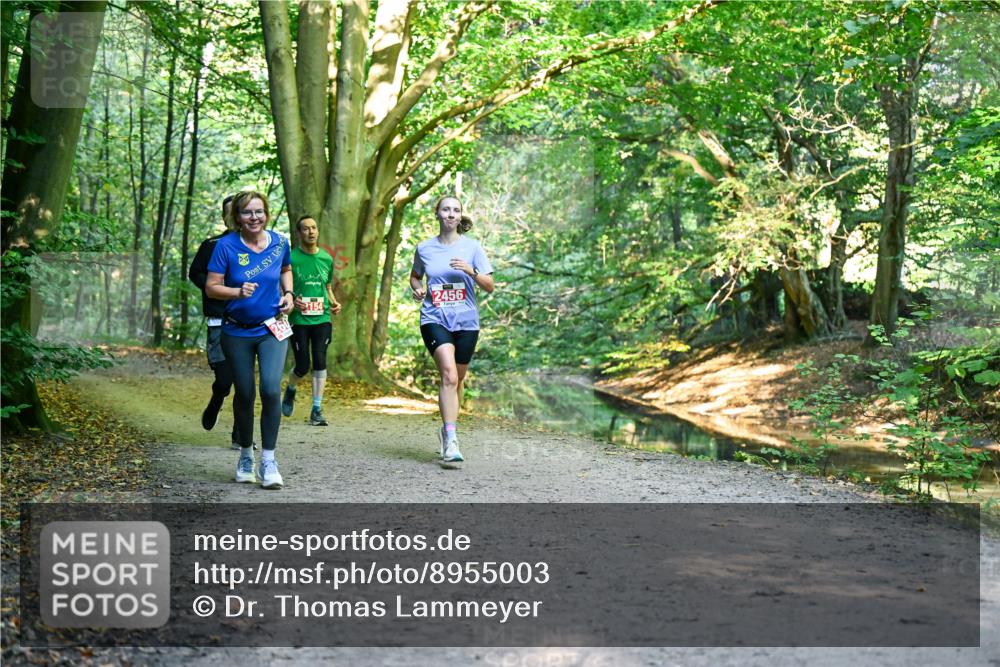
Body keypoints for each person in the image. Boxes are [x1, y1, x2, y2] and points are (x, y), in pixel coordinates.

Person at [206, 191, 294, 489]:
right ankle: (246, 454)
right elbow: (211, 288)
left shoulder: (280, 242)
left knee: (270, 389)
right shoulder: (225, 247)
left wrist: (289, 295)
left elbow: (286, 269)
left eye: (259, 212)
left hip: (272, 328)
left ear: (266, 214)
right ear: (237, 217)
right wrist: (236, 291)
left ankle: (268, 460)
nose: (254, 217)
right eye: (247, 213)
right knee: (244, 393)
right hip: (236, 330)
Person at [409, 195, 495, 465]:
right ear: (437, 214)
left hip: (466, 322)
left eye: (455, 210)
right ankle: (451, 437)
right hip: (434, 318)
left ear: (460, 217)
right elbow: (415, 276)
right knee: (448, 375)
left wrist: (471, 271)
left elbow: (489, 285)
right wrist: (418, 289)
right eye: (446, 209)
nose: (450, 214)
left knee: (457, 379)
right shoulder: (424, 248)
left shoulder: (472, 248)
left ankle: (448, 429)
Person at [188, 195, 256, 450]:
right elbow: (195, 272)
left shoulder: (257, 246)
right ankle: (217, 399)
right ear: (225, 217)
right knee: (225, 379)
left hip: (248, 322)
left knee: (244, 381)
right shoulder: (212, 245)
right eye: (233, 212)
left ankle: (241, 435)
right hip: (219, 319)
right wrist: (218, 288)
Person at [281, 215, 342, 425]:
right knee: (302, 365)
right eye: (306, 229)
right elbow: (281, 287)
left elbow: (327, 287)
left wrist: (334, 303)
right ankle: (291, 389)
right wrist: (291, 300)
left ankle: (316, 409)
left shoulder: (326, 258)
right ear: (299, 233)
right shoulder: (291, 258)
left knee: (320, 360)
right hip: (299, 319)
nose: (311, 232)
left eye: (314, 228)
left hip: (322, 317)